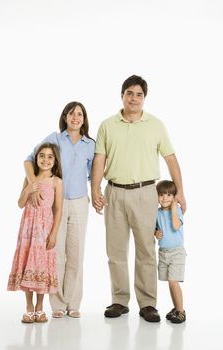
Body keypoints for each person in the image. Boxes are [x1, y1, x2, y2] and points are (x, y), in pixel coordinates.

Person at [91, 75, 186, 322]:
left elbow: (171, 159)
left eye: (139, 94)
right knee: (115, 250)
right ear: (122, 95)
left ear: (144, 98)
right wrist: (96, 189)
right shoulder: (107, 125)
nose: (134, 98)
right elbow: (99, 159)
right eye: (129, 93)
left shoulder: (155, 125)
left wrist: (181, 192)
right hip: (115, 192)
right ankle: (119, 300)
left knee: (146, 249)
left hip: (146, 193)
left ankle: (147, 304)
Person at [24, 102, 95, 318]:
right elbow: (29, 160)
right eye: (71, 113)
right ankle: (57, 304)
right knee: (56, 253)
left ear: (84, 119)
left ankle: (73, 303)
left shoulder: (90, 144)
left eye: (80, 114)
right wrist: (34, 185)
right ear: (65, 117)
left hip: (80, 202)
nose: (75, 117)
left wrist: (96, 193)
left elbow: (93, 174)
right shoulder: (54, 138)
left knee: (76, 254)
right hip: (54, 203)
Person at [7, 143, 63, 323]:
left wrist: (54, 234)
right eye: (41, 156)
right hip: (28, 229)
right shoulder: (30, 179)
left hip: (45, 230)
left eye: (49, 157)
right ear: (36, 158)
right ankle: (29, 307)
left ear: (55, 161)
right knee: (27, 264)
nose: (45, 159)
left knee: (41, 266)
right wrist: (28, 189)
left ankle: (40, 307)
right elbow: (20, 203)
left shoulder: (56, 182)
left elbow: (58, 210)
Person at [155, 180, 186, 323]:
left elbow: (175, 225)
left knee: (174, 282)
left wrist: (174, 208)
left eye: (168, 195)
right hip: (163, 252)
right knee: (170, 282)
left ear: (174, 197)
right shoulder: (157, 213)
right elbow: (154, 229)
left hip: (177, 252)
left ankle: (181, 311)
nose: (165, 198)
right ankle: (176, 308)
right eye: (161, 195)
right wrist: (155, 232)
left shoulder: (178, 210)